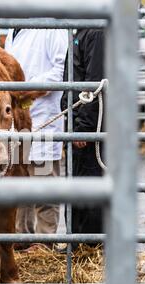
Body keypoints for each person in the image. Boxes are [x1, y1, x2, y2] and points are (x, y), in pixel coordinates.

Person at [4, 28, 68, 252]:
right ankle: (22, 235)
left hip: (43, 114)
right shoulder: (14, 30)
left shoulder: (51, 28)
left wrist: (27, 90)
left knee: (43, 178)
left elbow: (60, 71)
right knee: (20, 177)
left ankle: (45, 239)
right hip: (18, 118)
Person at [60, 29, 105, 252]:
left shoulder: (96, 32)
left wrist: (83, 128)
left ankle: (91, 245)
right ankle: (76, 241)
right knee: (77, 181)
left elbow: (95, 83)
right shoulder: (81, 31)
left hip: (88, 125)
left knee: (89, 181)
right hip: (77, 118)